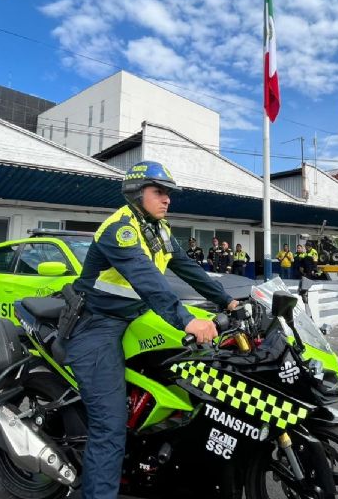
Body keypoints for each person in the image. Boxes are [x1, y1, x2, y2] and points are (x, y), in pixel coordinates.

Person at [65, 161, 238, 499]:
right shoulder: (121, 229)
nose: (167, 199)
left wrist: (228, 302)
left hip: (136, 316)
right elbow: (147, 280)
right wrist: (187, 320)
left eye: (168, 193)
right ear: (136, 192)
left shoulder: (159, 230)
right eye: (159, 192)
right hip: (97, 323)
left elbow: (188, 268)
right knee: (109, 424)